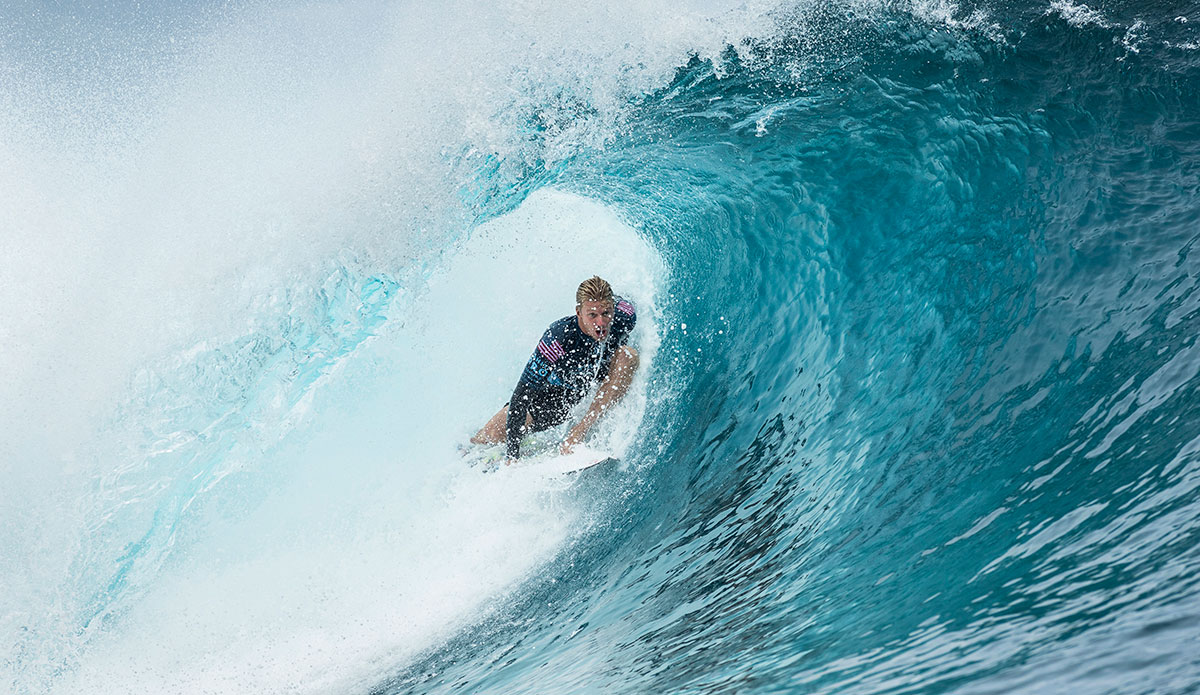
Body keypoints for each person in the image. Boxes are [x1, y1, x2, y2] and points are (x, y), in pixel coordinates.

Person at [471, 276, 639, 461]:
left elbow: (630, 299)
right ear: (579, 312)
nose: (601, 323)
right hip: (557, 397)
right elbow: (522, 395)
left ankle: (577, 434)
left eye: (606, 313)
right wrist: (512, 455)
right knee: (486, 440)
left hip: (598, 383)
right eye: (592, 315)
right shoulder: (558, 338)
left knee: (628, 355)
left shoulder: (625, 316)